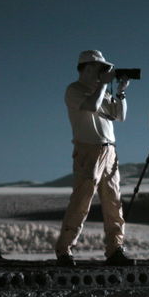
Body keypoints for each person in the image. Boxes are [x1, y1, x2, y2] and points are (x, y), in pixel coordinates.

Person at [54, 50, 135, 266]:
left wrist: (121, 92)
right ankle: (64, 250)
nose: (104, 73)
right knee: (82, 200)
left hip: (109, 151)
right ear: (89, 67)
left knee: (113, 202)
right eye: (101, 69)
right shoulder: (75, 90)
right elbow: (91, 106)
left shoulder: (103, 92)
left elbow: (120, 116)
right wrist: (102, 86)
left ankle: (115, 249)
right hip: (88, 150)